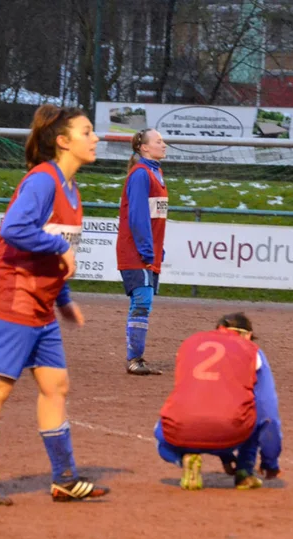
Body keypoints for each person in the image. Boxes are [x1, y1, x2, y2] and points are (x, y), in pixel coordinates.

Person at [0, 104, 109, 505]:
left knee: (55, 386)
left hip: (40, 306)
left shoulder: (73, 191)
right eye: (87, 131)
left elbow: (52, 257)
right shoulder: (43, 181)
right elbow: (13, 229)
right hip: (9, 296)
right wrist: (60, 245)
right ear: (63, 141)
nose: (95, 138)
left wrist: (63, 300)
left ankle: (63, 478)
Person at [153, 312, 283, 490]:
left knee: (161, 432)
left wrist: (224, 455)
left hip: (181, 428)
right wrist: (270, 461)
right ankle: (245, 472)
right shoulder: (253, 351)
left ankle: (184, 459)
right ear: (248, 335)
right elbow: (268, 413)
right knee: (253, 412)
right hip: (231, 432)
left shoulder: (190, 343)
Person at [116, 128, 169, 375]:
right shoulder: (141, 174)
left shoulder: (155, 172)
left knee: (143, 301)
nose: (164, 144)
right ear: (144, 148)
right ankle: (134, 359)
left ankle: (135, 358)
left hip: (147, 250)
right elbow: (138, 217)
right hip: (137, 250)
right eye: (159, 141)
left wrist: (159, 248)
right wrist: (148, 250)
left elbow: (153, 216)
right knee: (142, 301)